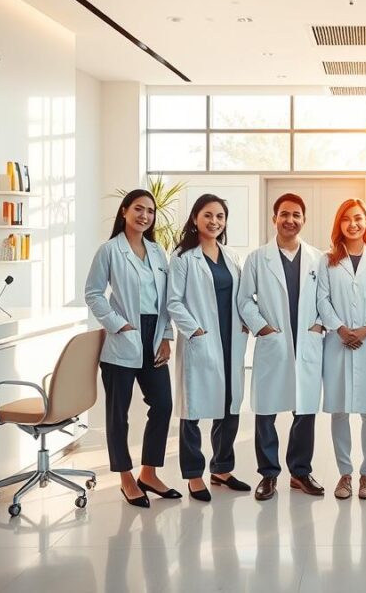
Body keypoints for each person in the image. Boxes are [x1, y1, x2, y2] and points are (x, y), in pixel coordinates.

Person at [84, 189, 179, 508]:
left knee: (163, 405)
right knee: (117, 414)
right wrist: (116, 324)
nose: (145, 216)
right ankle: (125, 478)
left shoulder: (157, 251)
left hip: (153, 336)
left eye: (150, 211)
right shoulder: (109, 250)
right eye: (139, 209)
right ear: (124, 211)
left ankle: (149, 472)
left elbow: (167, 299)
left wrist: (166, 335)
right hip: (124, 336)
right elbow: (93, 292)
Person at [237, 193, 326, 501]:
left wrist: (320, 325)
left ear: (304, 219)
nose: (290, 220)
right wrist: (263, 327)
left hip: (308, 342)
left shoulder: (318, 258)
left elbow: (327, 299)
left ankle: (300, 472)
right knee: (266, 410)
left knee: (305, 410)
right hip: (273, 342)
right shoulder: (257, 258)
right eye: (284, 214)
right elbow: (245, 299)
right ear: (274, 218)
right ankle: (268, 474)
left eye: (296, 215)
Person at [167, 194, 251, 502]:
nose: (214, 221)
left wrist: (246, 322)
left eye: (220, 216)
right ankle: (193, 475)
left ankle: (222, 468)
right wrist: (195, 331)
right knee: (193, 409)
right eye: (208, 215)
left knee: (230, 404)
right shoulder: (182, 257)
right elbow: (173, 301)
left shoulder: (231, 257)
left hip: (231, 340)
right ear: (195, 219)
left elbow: (241, 296)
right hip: (200, 340)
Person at [316, 199, 366, 501]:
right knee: (339, 411)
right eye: (346, 219)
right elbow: (322, 298)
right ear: (339, 224)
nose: (353, 224)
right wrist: (339, 328)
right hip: (337, 342)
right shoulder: (327, 260)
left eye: (358, 218)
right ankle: (345, 474)